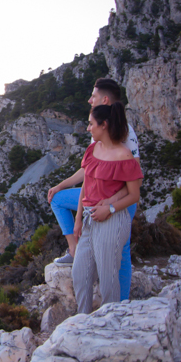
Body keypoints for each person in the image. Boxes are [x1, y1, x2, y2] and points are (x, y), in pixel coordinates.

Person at [47, 78, 140, 300]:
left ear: (105, 100)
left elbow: (133, 178)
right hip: (95, 195)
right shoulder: (98, 128)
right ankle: (74, 250)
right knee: (58, 199)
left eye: (94, 96)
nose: (90, 99)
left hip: (119, 201)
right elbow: (89, 171)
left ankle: (121, 305)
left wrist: (110, 204)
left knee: (122, 255)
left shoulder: (126, 134)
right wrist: (62, 185)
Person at [72, 103, 143, 314]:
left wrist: (110, 208)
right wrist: (78, 218)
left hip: (112, 220)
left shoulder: (124, 156)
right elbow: (86, 184)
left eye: (91, 124)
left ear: (104, 125)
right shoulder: (92, 150)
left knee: (108, 279)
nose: (88, 128)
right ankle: (83, 320)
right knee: (80, 273)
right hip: (89, 218)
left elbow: (134, 194)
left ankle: (110, 324)